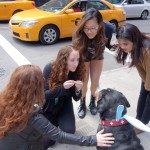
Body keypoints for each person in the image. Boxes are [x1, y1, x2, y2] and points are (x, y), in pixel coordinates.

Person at [0, 64, 115, 150]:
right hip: (26, 146)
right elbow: (60, 136)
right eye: (42, 80)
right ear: (35, 88)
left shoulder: (4, 100)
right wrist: (94, 140)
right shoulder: (33, 117)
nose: (44, 80)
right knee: (50, 137)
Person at [73, 8, 115, 119]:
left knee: (95, 82)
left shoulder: (109, 29)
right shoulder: (78, 33)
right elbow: (75, 53)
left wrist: (114, 46)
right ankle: (82, 104)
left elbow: (111, 44)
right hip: (84, 56)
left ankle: (92, 102)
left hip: (98, 55)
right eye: (86, 28)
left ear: (100, 25)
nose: (89, 31)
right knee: (84, 81)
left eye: (93, 28)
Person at [42, 45, 85, 146]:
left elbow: (76, 98)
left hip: (64, 105)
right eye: (72, 60)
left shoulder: (77, 71)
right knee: (48, 143)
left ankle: (57, 121)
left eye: (78, 60)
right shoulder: (50, 68)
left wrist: (78, 90)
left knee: (69, 130)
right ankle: (54, 121)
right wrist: (62, 88)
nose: (76, 63)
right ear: (64, 60)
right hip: (48, 106)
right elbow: (44, 95)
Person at [115, 23, 150, 134]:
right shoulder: (136, 47)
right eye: (120, 44)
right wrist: (145, 84)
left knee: (149, 100)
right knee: (142, 95)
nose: (123, 47)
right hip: (148, 74)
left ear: (134, 40)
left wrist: (147, 86)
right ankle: (138, 120)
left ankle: (141, 125)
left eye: (125, 44)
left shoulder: (146, 51)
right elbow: (141, 69)